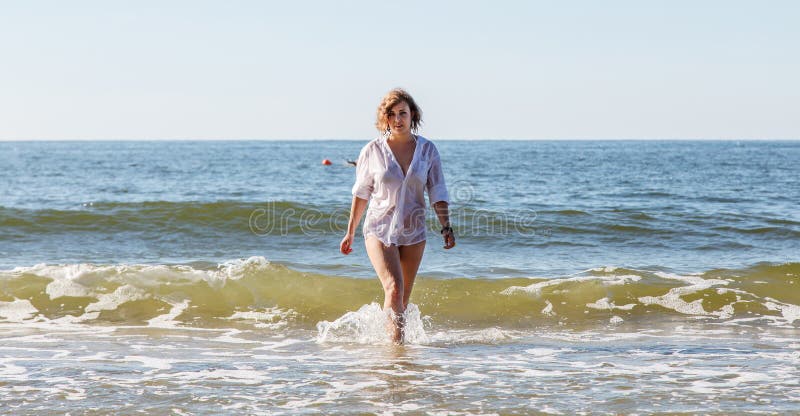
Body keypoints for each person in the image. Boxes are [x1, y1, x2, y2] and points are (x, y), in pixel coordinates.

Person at [340, 88, 455, 344]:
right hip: (379, 229)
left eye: (402, 113)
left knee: (402, 299)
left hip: (414, 232)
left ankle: (391, 349)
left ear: (412, 114)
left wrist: (446, 226)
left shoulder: (427, 151)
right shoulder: (373, 150)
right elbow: (361, 194)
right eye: (391, 115)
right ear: (385, 119)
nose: (397, 119)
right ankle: (396, 355)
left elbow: (437, 190)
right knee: (393, 289)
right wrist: (350, 231)